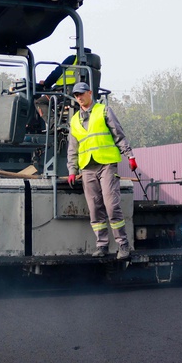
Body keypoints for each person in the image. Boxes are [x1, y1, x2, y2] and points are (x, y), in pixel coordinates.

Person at [67, 82, 137, 260]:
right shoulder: (74, 120)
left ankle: (123, 245)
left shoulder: (104, 110)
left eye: (82, 94)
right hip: (88, 168)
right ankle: (102, 246)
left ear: (90, 93)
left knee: (111, 206)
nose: (79, 98)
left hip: (106, 164)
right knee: (94, 208)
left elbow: (118, 134)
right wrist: (72, 170)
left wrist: (130, 156)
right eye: (76, 95)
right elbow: (72, 148)